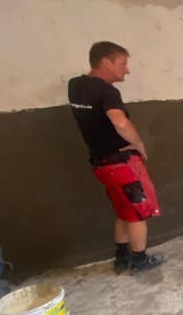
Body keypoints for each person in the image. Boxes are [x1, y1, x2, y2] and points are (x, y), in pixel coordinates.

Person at [68, 41, 167, 273]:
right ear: (106, 62)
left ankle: (121, 258)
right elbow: (120, 122)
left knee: (123, 211)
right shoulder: (108, 91)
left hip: (101, 164)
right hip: (122, 164)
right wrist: (139, 144)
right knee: (137, 214)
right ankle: (140, 260)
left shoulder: (75, 85)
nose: (127, 70)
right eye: (123, 63)